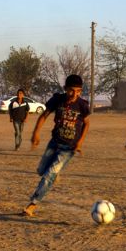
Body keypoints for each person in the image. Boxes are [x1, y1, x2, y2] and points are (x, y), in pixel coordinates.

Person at [22, 74, 91, 217]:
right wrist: (36, 133)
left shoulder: (82, 105)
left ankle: (32, 205)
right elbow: (43, 116)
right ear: (65, 89)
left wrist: (80, 142)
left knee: (48, 176)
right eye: (71, 90)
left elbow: (87, 123)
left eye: (78, 91)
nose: (74, 94)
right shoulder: (57, 99)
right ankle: (55, 173)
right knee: (41, 170)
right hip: (54, 142)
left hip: (69, 148)